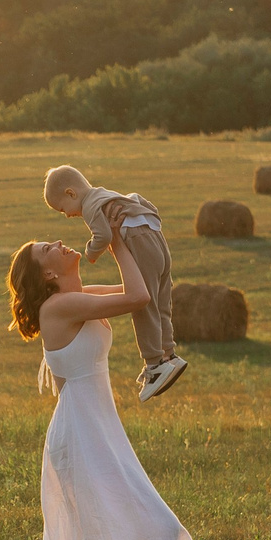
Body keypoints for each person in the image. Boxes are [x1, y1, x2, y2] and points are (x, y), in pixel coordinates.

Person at [6, 224, 200, 540]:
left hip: (97, 427)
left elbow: (141, 286)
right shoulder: (60, 306)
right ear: (49, 276)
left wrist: (130, 235)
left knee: (120, 519)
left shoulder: (77, 297)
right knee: (105, 527)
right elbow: (137, 299)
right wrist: (113, 240)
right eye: (47, 248)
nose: (58, 241)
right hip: (80, 433)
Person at [42, 164, 186, 399]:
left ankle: (154, 364)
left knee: (144, 306)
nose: (67, 215)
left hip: (139, 241)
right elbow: (142, 202)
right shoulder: (108, 194)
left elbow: (104, 235)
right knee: (161, 298)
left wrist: (90, 252)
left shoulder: (90, 206)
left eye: (62, 209)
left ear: (71, 194)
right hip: (156, 236)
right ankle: (169, 354)